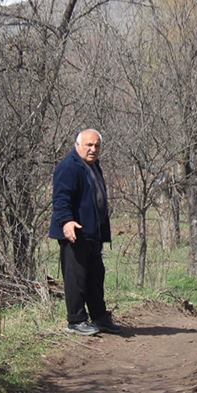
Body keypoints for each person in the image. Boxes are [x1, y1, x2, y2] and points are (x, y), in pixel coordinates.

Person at [48, 129, 123, 336]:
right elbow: (61, 198)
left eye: (96, 146)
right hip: (75, 233)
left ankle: (99, 317)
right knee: (76, 278)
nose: (93, 149)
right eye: (89, 145)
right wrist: (67, 221)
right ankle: (76, 320)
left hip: (92, 233)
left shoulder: (92, 165)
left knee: (96, 276)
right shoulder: (69, 167)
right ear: (77, 145)